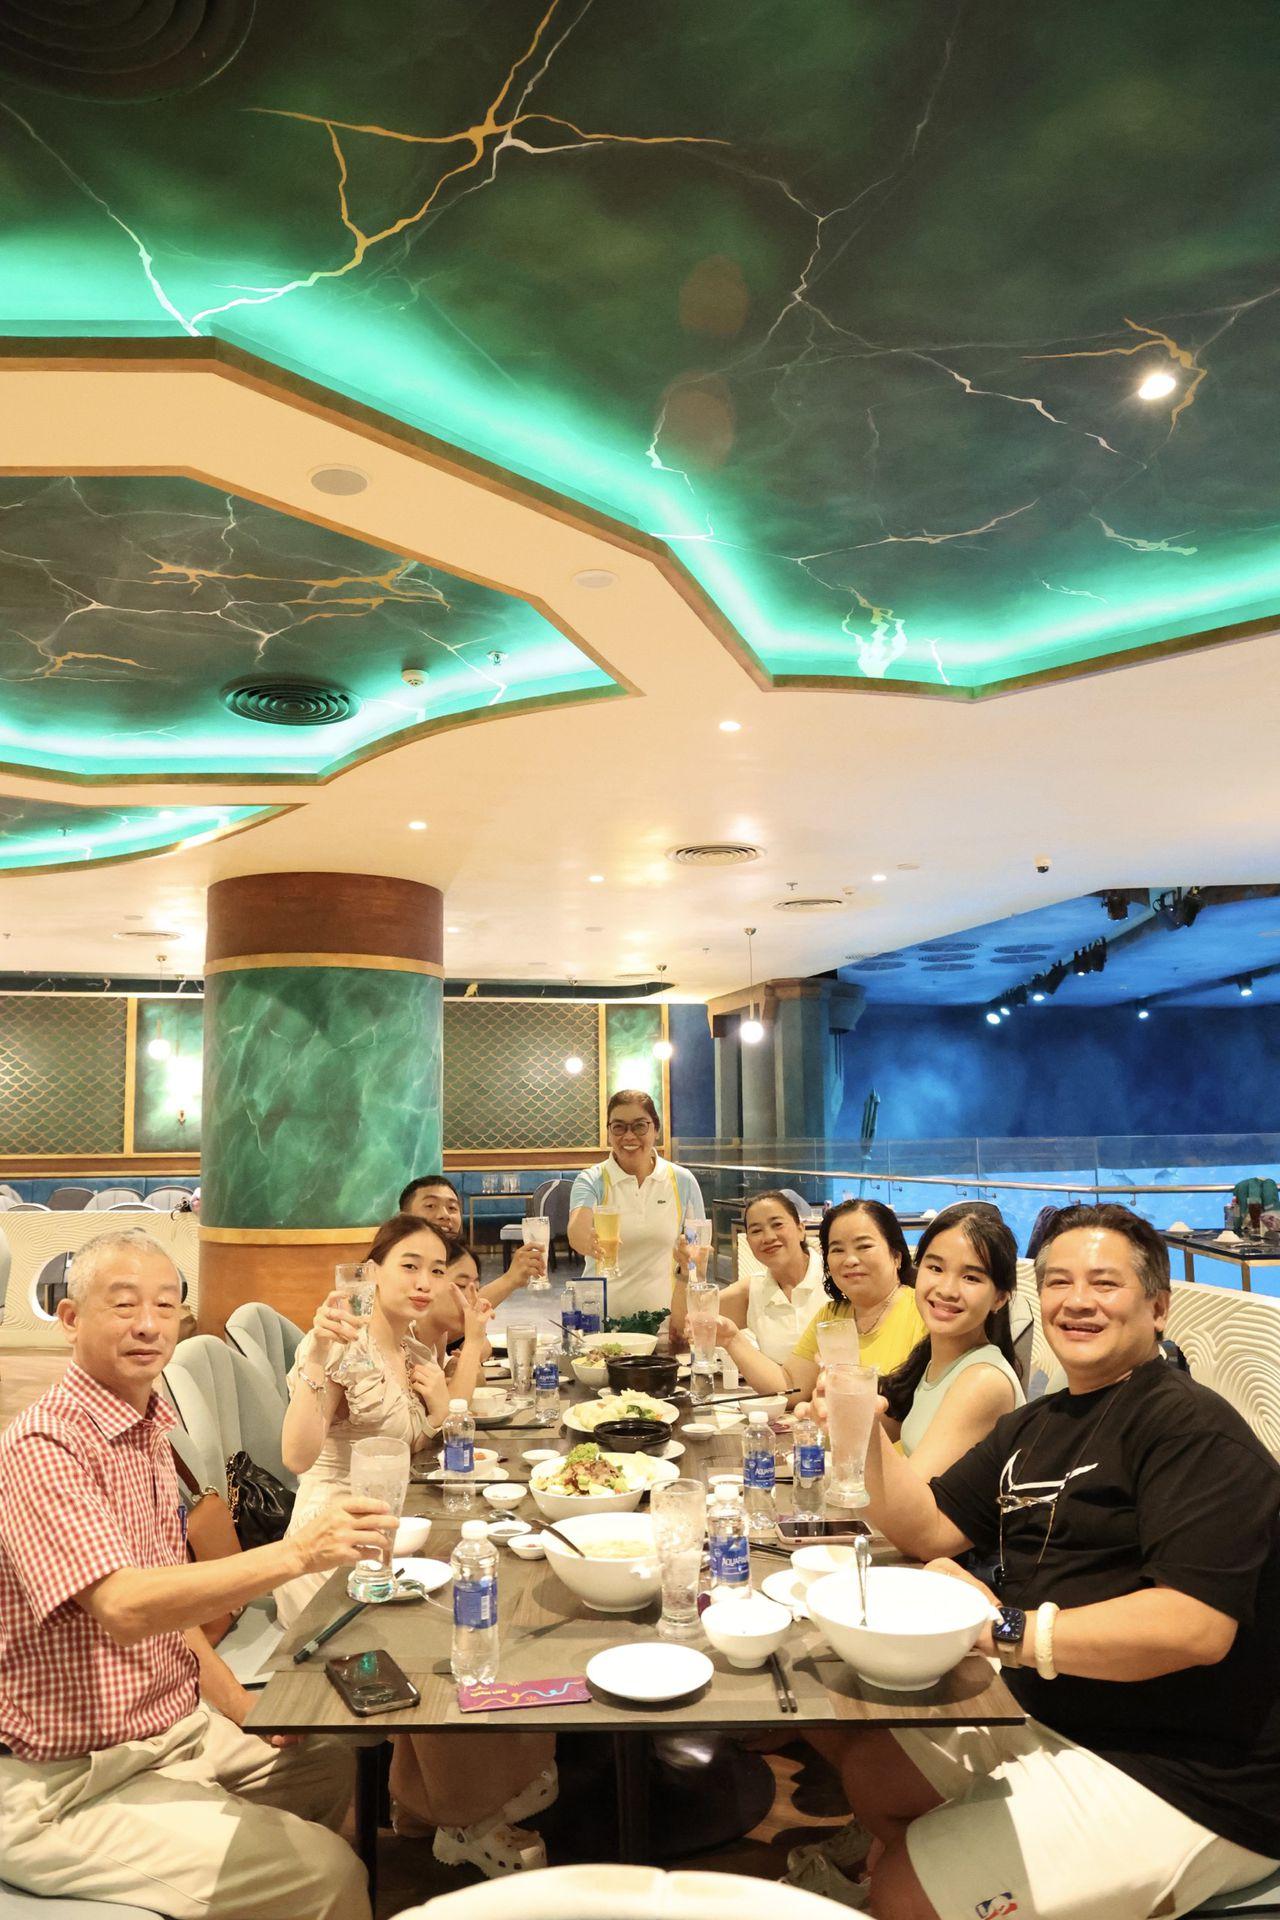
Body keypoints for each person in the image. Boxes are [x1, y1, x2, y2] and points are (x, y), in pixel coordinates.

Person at [790, 1204, 1280, 1918]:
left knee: (901, 1891)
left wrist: (1004, 1629)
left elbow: (1193, 1627)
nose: (1077, 1301)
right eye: (1058, 1282)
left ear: (1158, 1308)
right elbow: (930, 1526)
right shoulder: (1036, 1426)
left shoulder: (1191, 1430)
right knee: (874, 1776)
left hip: (1193, 1769)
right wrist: (859, 1426)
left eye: (1104, 1283)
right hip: (1060, 1709)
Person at [0, 1228, 380, 1920]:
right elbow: (126, 1606)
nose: (149, 1324)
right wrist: (297, 1553)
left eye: (165, 1304)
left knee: (325, 1761)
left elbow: (171, 1614)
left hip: (170, 1733)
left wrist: (245, 1711)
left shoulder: (146, 1425)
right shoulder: (44, 1445)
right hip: (69, 1783)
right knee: (329, 1876)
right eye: (123, 1305)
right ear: (71, 1319)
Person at [277, 1213, 554, 1875]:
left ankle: (434, 1799)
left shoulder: (411, 1347)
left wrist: (444, 1390)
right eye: (409, 1266)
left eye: (436, 1269)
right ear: (371, 1271)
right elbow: (296, 1455)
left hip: (397, 1530)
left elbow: (427, 1436)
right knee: (442, 1630)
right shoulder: (342, 1343)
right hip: (335, 1543)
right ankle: (464, 1811)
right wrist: (315, 1357)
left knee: (491, 1602)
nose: (426, 1281)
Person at [720, 1198, 924, 1400]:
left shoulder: (924, 1312)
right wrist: (732, 1340)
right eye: (837, 1250)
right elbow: (791, 1386)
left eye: (864, 1246)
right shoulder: (832, 1316)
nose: (850, 1260)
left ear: (896, 1256)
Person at [881, 1201, 1024, 1478]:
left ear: (999, 1298)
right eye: (935, 1268)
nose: (947, 1290)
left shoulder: (983, 1381)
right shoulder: (932, 1362)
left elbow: (913, 1494)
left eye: (970, 1277)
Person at [568, 1090, 704, 1317]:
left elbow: (697, 1253)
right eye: (619, 1127)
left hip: (664, 1321)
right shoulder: (592, 1179)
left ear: (656, 1130)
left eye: (640, 1126)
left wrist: (689, 1314)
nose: (629, 1136)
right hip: (600, 1321)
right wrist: (586, 1241)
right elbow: (577, 1233)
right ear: (609, 1133)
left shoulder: (682, 1181)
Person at [671, 1189, 825, 1363]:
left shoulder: (834, 1277)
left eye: (777, 1224)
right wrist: (687, 1270)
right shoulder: (755, 1290)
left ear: (801, 1229)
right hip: (776, 1380)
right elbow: (688, 1325)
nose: (768, 1237)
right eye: (756, 1230)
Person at [400, 1172, 548, 1307]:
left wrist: (512, 1279)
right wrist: (510, 1279)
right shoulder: (396, 1264)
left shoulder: (461, 1259)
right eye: (430, 1206)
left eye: (452, 1208)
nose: (445, 1215)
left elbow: (467, 1307)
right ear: (404, 1217)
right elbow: (452, 1314)